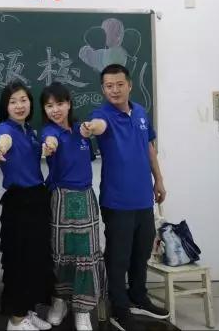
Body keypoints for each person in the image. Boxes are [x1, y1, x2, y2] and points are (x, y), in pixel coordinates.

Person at [85, 64, 168, 331]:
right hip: (117, 201)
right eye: (109, 86)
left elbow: (149, 148)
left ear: (129, 85)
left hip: (144, 198)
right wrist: (90, 128)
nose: (115, 90)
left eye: (119, 84)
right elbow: (98, 126)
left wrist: (159, 179)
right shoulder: (102, 115)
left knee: (141, 253)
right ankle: (119, 308)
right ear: (103, 89)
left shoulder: (141, 112)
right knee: (118, 258)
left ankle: (139, 297)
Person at [39, 82, 106, 331]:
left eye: (60, 103)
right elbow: (49, 141)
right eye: (49, 106)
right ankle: (60, 302)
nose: (55, 110)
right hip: (60, 198)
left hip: (86, 198)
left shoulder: (82, 130)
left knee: (85, 256)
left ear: (69, 104)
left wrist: (91, 128)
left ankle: (82, 309)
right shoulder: (49, 131)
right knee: (60, 254)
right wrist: (49, 146)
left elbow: (97, 127)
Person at [0, 80, 53, 331]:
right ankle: (15, 320)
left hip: (38, 198)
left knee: (35, 260)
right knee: (18, 260)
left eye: (23, 100)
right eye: (13, 101)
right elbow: (3, 142)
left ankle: (27, 310)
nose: (19, 105)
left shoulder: (30, 130)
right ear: (5, 106)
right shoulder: (4, 129)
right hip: (19, 203)